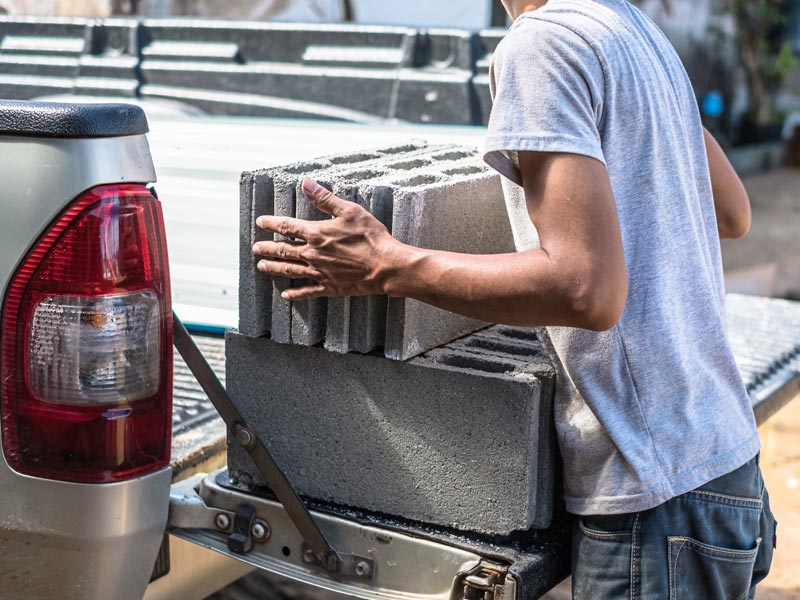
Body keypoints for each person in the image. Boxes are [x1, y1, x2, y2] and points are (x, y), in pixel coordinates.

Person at [252, 0, 776, 597]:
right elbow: (734, 213)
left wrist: (387, 264)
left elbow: (586, 290)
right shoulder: (636, 32)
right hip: (724, 458)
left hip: (655, 491)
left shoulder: (543, 42)